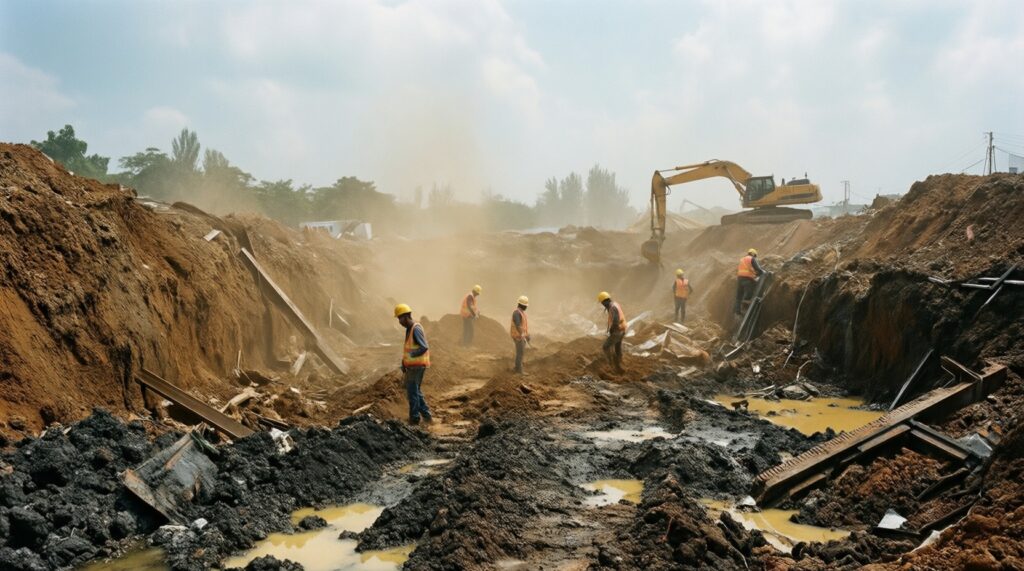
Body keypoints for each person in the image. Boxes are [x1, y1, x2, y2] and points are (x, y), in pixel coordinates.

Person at [394, 304, 432, 425]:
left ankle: (415, 419)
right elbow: (409, 349)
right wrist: (404, 362)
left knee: (412, 393)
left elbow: (424, 347)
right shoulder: (409, 329)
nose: (399, 322)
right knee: (416, 392)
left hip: (417, 367)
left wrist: (410, 356)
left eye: (400, 318)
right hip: (412, 366)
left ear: (406, 317)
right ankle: (426, 416)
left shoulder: (416, 329)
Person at [598, 291, 626, 374]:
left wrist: (611, 330)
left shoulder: (612, 307)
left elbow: (616, 320)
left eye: (602, 303)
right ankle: (620, 363)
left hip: (617, 330)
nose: (602, 304)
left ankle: (611, 365)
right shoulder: (614, 304)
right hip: (622, 329)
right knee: (617, 347)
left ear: (604, 301)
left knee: (606, 347)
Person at [734, 248, 765, 316]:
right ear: (753, 254)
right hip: (747, 279)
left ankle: (737, 311)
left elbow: (740, 269)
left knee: (739, 296)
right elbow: (758, 269)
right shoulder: (751, 259)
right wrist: (763, 272)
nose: (755, 257)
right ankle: (745, 307)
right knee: (749, 293)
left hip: (740, 278)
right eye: (755, 256)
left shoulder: (742, 259)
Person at [510, 295, 530, 374]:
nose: (526, 307)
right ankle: (519, 370)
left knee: (520, 352)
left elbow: (522, 326)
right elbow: (518, 325)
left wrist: (526, 335)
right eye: (526, 306)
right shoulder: (517, 313)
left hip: (521, 335)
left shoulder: (521, 313)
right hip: (518, 336)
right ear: (523, 305)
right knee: (520, 353)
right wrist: (522, 335)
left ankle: (517, 368)